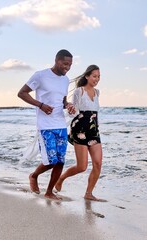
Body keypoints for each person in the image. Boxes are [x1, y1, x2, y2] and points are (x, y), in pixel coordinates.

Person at [17, 49, 75, 200]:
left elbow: (62, 101)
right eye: (65, 64)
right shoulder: (40, 75)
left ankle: (49, 192)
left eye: (70, 65)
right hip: (45, 125)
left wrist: (68, 105)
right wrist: (40, 105)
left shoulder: (65, 80)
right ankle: (34, 176)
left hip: (60, 124)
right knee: (50, 160)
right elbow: (22, 93)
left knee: (60, 161)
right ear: (57, 61)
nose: (67, 67)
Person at [55, 64, 105, 201]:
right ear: (87, 76)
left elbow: (95, 113)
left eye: (99, 76)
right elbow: (74, 113)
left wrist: (96, 127)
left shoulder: (97, 92)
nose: (97, 79)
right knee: (82, 167)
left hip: (94, 131)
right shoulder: (79, 91)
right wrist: (71, 109)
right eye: (94, 76)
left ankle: (88, 194)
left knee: (98, 163)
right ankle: (61, 178)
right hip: (80, 130)